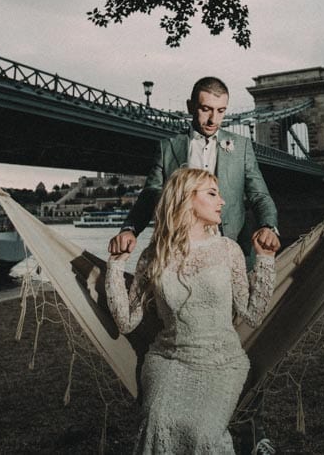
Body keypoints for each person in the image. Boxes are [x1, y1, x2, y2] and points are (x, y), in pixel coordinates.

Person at [106, 167, 276, 454]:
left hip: (222, 363)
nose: (222, 202)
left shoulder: (228, 249)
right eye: (212, 194)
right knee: (157, 425)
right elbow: (126, 321)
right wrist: (115, 265)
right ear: (186, 198)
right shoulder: (153, 255)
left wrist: (265, 260)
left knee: (204, 434)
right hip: (169, 361)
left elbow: (253, 315)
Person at [109, 76, 281, 259]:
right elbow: (151, 195)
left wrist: (268, 226)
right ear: (190, 107)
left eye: (221, 111)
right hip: (179, 251)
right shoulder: (168, 147)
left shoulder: (242, 146)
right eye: (206, 109)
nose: (213, 119)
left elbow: (259, 195)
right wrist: (129, 230)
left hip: (232, 250)